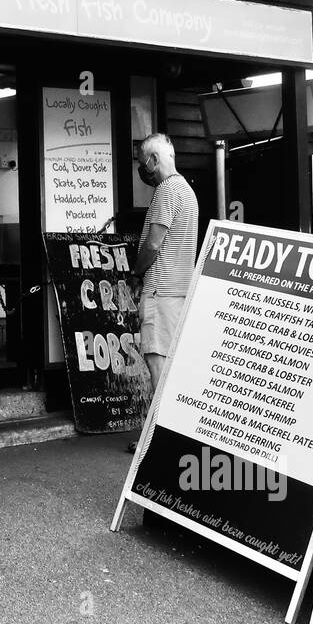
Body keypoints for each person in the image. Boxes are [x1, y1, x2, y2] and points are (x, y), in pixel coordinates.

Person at [127, 133, 199, 452]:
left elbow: (154, 244)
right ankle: (168, 436)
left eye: (143, 163)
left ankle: (154, 443)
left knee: (157, 367)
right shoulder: (187, 190)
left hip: (160, 292)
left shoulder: (166, 190)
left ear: (154, 161)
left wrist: (136, 269)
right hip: (181, 293)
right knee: (170, 370)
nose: (142, 170)